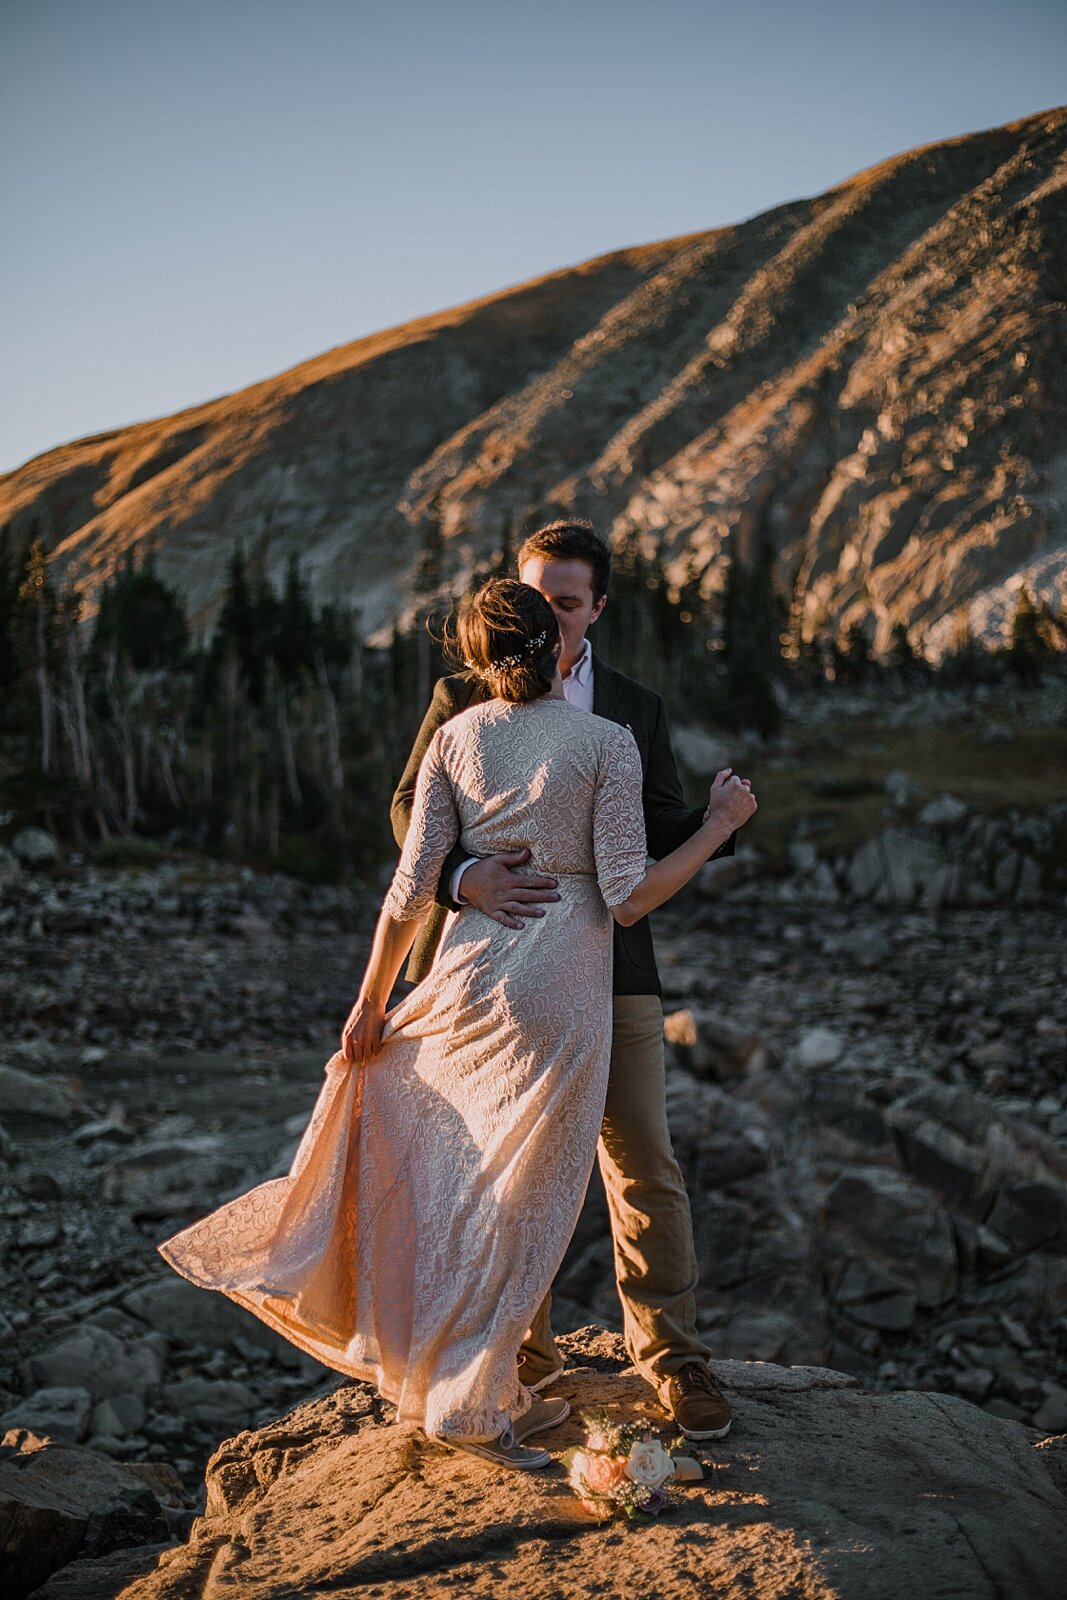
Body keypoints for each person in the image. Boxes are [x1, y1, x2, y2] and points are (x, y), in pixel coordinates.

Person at [159, 579, 756, 1471]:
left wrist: (369, 1004)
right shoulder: (605, 742)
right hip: (558, 986)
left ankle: (488, 1383)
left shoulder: (453, 735)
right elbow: (629, 897)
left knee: (467, 1178)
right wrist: (716, 825)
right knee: (532, 1196)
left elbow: (407, 891)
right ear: (552, 649)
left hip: (465, 979)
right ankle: (474, 1402)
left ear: (477, 661)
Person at [392, 520, 741, 1439]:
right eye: (534, 595)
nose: (545, 616)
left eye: (566, 602)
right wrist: (466, 879)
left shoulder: (633, 706)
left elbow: (652, 826)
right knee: (508, 1166)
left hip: (614, 970)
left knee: (642, 1165)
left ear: (597, 607)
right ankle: (522, 1363)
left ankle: (673, 1359)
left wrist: (716, 823)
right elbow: (407, 815)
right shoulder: (458, 693)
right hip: (488, 971)